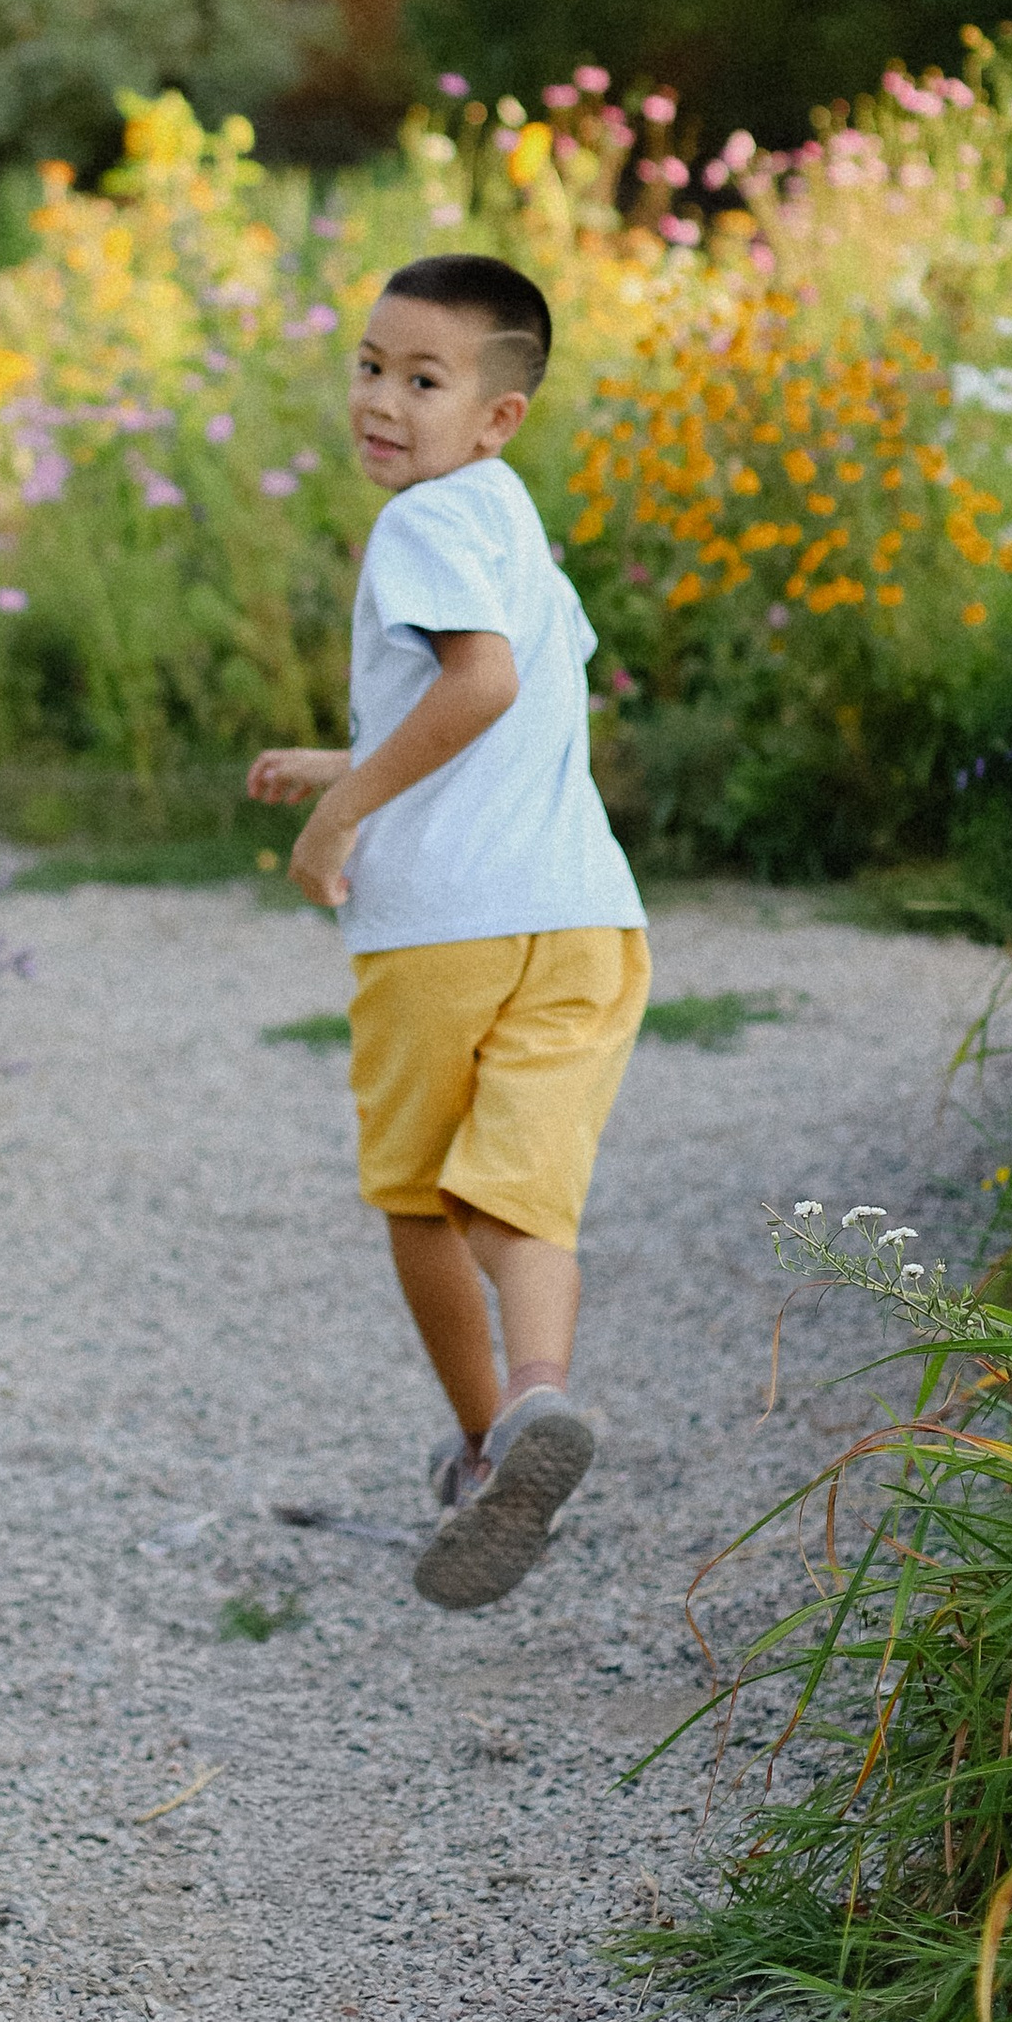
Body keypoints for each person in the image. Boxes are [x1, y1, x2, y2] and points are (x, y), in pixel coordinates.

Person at [246, 252, 647, 1609]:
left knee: (422, 1198)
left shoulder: (419, 524)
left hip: (442, 938)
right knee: (521, 1198)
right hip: (585, 920)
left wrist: (339, 814)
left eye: (423, 379)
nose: (381, 399)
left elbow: (478, 682)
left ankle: (485, 1454)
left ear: (493, 415)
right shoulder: (507, 516)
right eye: (368, 365)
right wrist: (337, 755)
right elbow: (515, 698)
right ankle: (541, 1403)